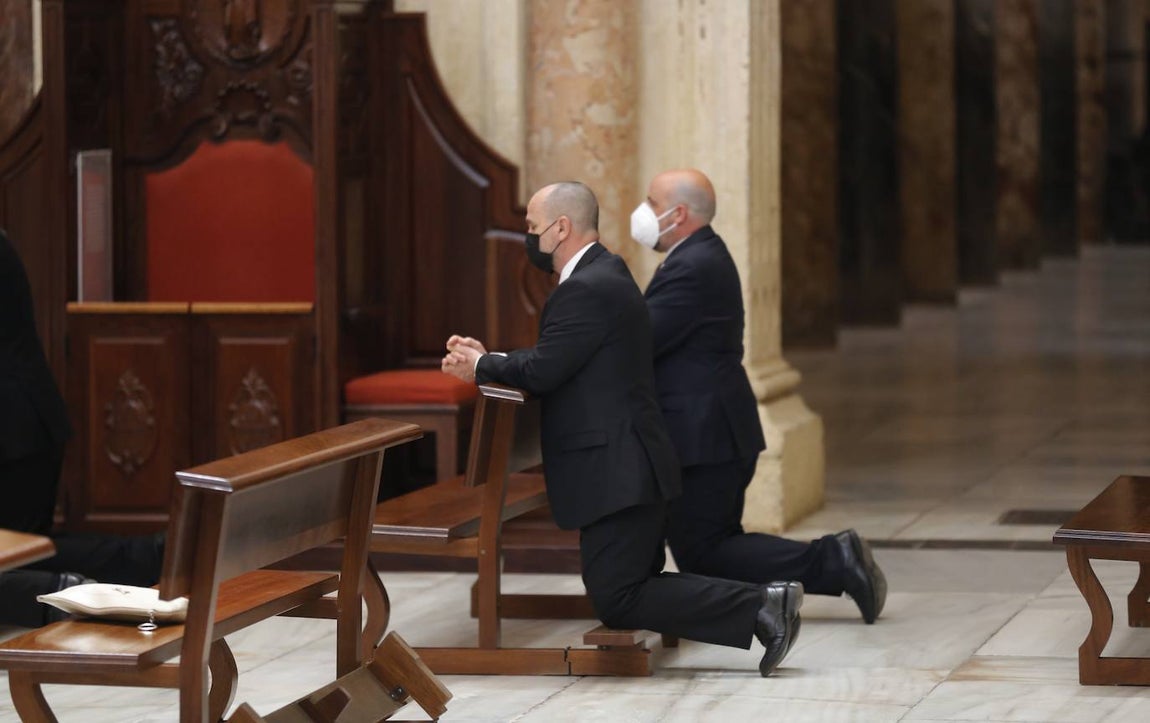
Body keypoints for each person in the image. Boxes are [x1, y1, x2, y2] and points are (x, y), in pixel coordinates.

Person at [441, 181, 802, 677]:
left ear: (560, 227)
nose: (527, 237)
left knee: (619, 596)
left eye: (531, 227)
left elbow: (546, 369)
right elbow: (563, 358)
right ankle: (763, 604)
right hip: (631, 462)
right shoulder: (605, 272)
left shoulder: (585, 288)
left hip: (616, 468)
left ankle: (763, 605)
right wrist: (492, 360)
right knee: (629, 585)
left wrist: (482, 366)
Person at [630, 169, 887, 624]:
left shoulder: (692, 266)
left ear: (679, 214)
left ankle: (835, 560)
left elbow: (641, 338)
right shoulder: (696, 256)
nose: (644, 213)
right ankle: (834, 563)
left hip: (706, 434)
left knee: (707, 550)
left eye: (652, 203)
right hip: (712, 430)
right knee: (706, 548)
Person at [0, 228, 163, 628]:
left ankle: (63, 591)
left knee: (15, 553)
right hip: (27, 421)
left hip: (14, 428)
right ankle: (140, 562)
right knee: (24, 549)